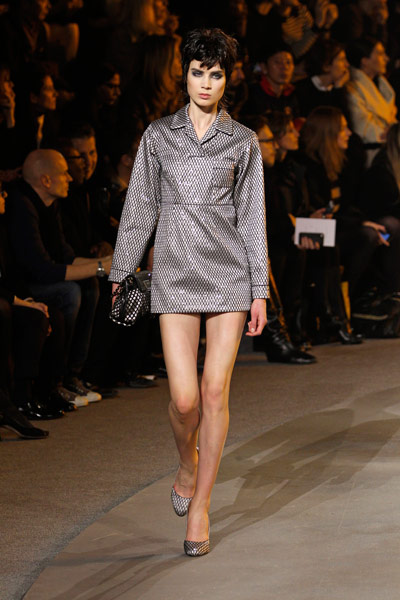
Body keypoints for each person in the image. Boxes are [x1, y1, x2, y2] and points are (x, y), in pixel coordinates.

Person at [110, 28, 268, 556]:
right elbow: (140, 206)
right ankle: (186, 462)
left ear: (227, 79)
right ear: (184, 74)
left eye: (215, 74)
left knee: (214, 391)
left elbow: (252, 219)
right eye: (198, 72)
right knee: (183, 399)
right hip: (175, 271)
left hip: (228, 274)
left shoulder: (243, 140)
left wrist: (260, 288)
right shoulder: (158, 136)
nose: (205, 82)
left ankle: (200, 505)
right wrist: (121, 270)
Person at [346, 37, 397, 166]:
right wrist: (392, 133)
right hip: (370, 154)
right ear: (364, 61)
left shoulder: (382, 85)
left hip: (389, 148)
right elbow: (362, 125)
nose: (386, 58)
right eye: (380, 54)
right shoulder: (352, 87)